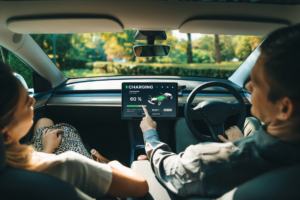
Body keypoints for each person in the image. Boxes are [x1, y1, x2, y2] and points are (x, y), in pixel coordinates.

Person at [139, 24, 300, 198]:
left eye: (257, 82)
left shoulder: (206, 161)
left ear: (284, 108)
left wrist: (150, 134)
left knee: (182, 125)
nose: (247, 86)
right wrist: (242, 142)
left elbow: (168, 169)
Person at [0, 62, 149, 198]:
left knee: (44, 123)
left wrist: (47, 149)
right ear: (5, 135)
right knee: (141, 162)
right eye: (26, 103)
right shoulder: (68, 165)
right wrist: (112, 164)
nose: (33, 100)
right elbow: (141, 186)